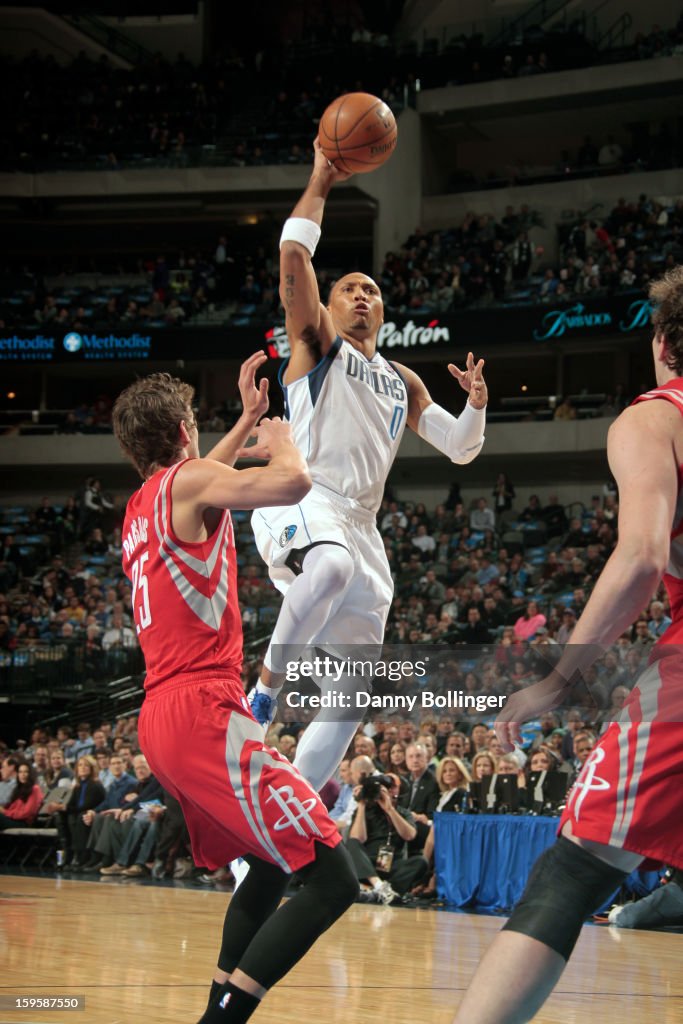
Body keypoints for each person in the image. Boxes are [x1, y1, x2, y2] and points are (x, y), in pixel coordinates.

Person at [454, 265, 683, 1024]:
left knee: (575, 866)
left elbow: (642, 556)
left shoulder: (653, 418)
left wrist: (559, 678)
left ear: (660, 342)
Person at [112, 351, 357, 1024]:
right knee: (334, 878)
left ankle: (213, 1013)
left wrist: (247, 416)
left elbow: (200, 479)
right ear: (184, 428)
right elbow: (293, 486)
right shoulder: (190, 481)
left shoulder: (140, 507)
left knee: (271, 862)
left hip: (162, 715)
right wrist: (281, 442)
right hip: (201, 709)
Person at [247, 138, 487, 796]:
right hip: (302, 494)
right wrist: (320, 181)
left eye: (369, 291)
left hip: (360, 522)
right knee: (330, 566)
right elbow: (294, 256)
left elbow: (460, 448)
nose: (358, 296)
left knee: (353, 689)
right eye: (347, 288)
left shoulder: (402, 378)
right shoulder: (318, 344)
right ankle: (264, 691)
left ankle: (291, 812)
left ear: (382, 311)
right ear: (330, 303)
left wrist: (474, 407)